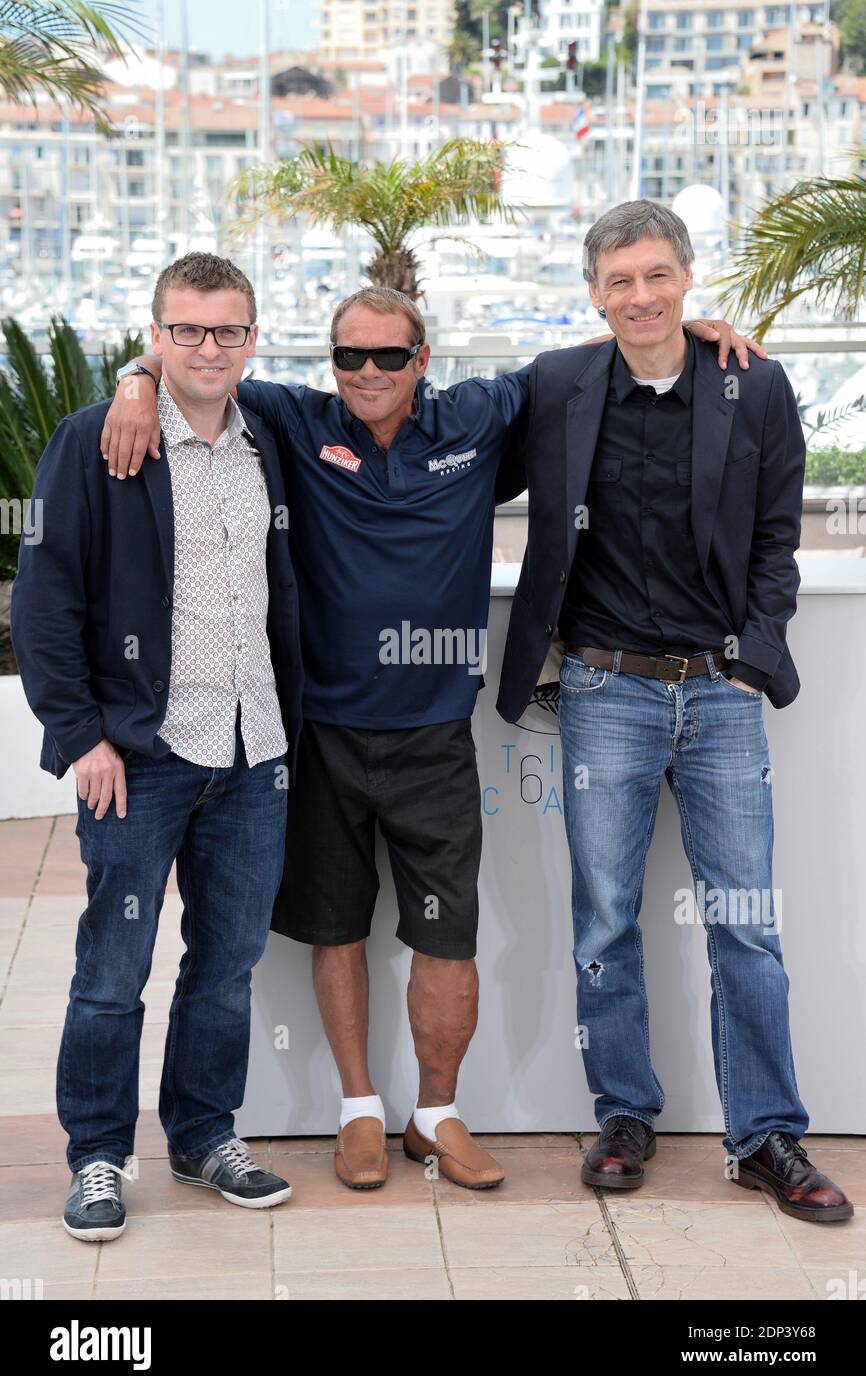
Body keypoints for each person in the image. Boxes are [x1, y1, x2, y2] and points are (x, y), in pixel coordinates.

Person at [103, 282, 757, 1192]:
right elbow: (198, 369)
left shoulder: (479, 416)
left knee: (446, 939)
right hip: (322, 733)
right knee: (335, 934)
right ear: (329, 363)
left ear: (422, 361)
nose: (367, 373)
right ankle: (360, 1113)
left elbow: (592, 364)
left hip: (436, 738)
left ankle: (437, 1115)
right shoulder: (292, 418)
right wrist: (137, 378)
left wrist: (683, 327)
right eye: (349, 356)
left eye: (388, 356)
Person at [496, 200, 853, 1222]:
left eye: (656, 276)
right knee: (601, 920)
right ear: (593, 292)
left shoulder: (753, 382)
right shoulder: (557, 383)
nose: (639, 296)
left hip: (721, 695)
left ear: (687, 279)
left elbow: (775, 537)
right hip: (604, 689)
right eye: (618, 281)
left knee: (745, 924)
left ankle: (765, 1135)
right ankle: (623, 1114)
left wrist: (750, 663)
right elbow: (447, 440)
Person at [11, 252, 303, 1240]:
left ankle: (203, 1133)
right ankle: (98, 1154)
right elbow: (44, 603)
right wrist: (82, 735)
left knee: (225, 964)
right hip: (140, 760)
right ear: (156, 335)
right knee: (111, 969)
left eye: (226, 330)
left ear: (253, 338)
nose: (207, 347)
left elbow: (383, 385)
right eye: (186, 330)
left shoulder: (275, 437)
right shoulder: (97, 440)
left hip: (254, 749)